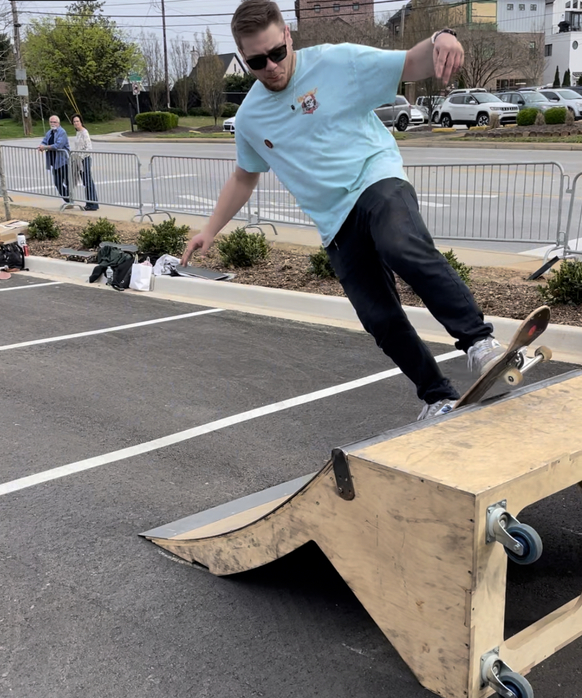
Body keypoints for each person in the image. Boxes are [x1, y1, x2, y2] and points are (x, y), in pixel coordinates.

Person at [180, 0, 506, 421]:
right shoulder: (250, 119)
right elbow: (245, 175)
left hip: (375, 180)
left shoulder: (338, 61)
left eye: (277, 53)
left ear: (288, 38)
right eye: (257, 62)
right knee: (378, 317)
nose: (272, 67)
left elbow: (408, 64)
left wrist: (443, 38)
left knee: (400, 245)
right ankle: (437, 397)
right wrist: (210, 229)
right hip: (335, 221)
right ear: (245, 60)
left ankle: (480, 343)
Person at [38, 115, 70, 202]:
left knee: (67, 182)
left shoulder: (62, 132)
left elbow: (58, 145)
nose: (53, 124)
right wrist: (41, 146)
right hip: (54, 162)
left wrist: (45, 147)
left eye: (54, 122)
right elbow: (44, 141)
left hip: (63, 162)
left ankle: (71, 199)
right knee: (57, 182)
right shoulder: (49, 132)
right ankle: (68, 200)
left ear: (58, 123)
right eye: (51, 122)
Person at [71, 114, 99, 211]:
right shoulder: (78, 133)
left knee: (88, 181)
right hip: (79, 160)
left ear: (81, 122)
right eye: (74, 122)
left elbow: (88, 147)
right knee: (85, 182)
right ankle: (89, 203)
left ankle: (93, 204)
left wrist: (81, 156)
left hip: (85, 159)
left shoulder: (84, 132)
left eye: (77, 121)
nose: (76, 123)